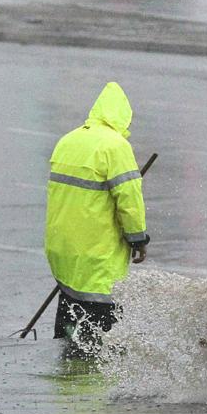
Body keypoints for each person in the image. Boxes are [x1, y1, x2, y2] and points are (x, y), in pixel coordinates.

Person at [44, 82, 149, 354]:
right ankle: (92, 384)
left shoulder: (67, 141)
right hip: (97, 254)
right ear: (122, 116)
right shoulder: (116, 147)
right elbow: (130, 200)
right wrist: (137, 238)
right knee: (102, 335)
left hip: (63, 249)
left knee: (70, 312)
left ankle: (67, 363)